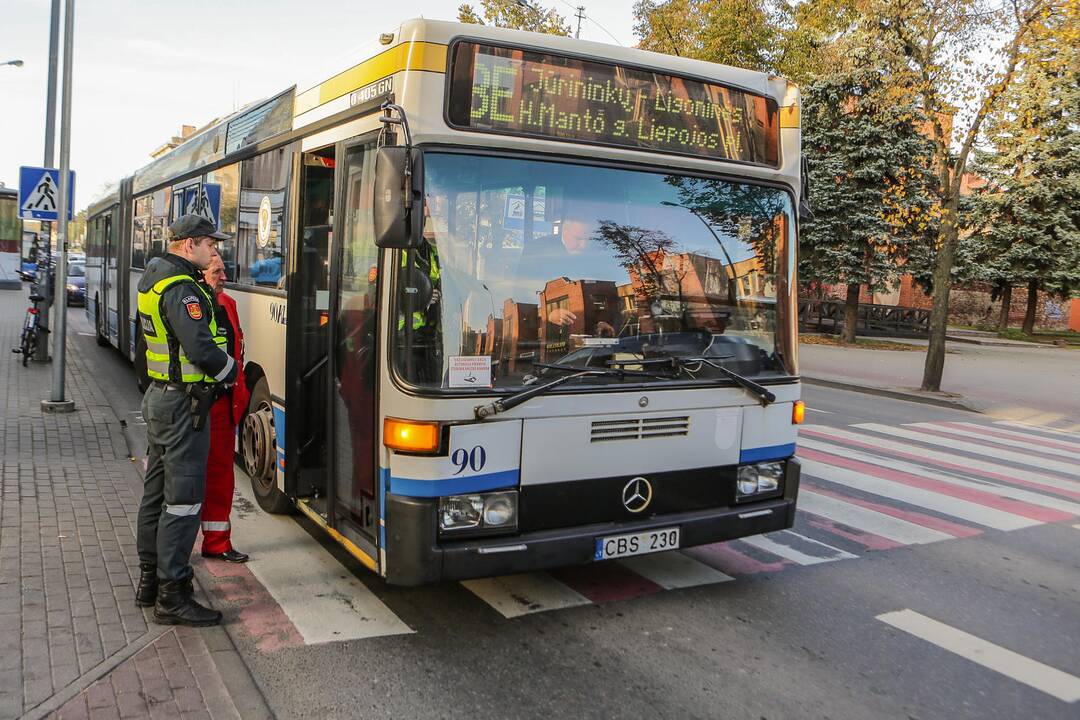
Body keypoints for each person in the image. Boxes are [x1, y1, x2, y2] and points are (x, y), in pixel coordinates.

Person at [134, 214, 237, 627]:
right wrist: (230, 372)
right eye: (210, 244)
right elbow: (200, 347)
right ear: (189, 244)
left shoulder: (154, 276)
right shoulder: (181, 288)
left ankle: (149, 582)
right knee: (183, 502)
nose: (215, 251)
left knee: (155, 494)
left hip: (161, 397)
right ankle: (172, 595)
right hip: (182, 406)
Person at [199, 251, 251, 563]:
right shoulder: (190, 303)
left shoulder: (227, 304)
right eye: (217, 272)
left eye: (223, 271)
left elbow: (236, 349)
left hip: (223, 402)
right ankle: (171, 552)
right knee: (188, 477)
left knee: (220, 474)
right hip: (197, 402)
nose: (224, 278)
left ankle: (217, 542)